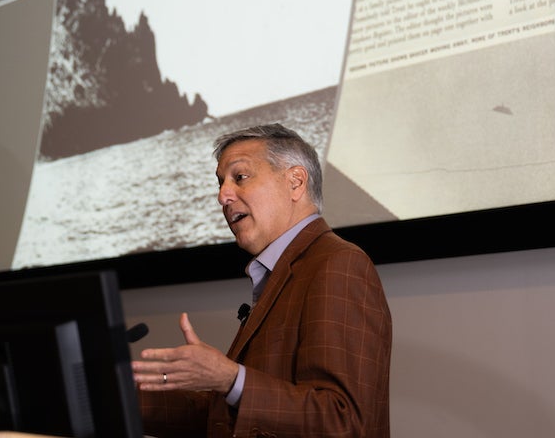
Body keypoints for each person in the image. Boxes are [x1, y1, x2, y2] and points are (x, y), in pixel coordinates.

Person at [131, 123, 393, 437]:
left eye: (240, 177)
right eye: (220, 183)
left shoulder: (338, 264)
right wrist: (118, 397)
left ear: (295, 182)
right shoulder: (282, 271)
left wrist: (230, 378)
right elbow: (226, 417)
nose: (222, 196)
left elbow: (344, 421)